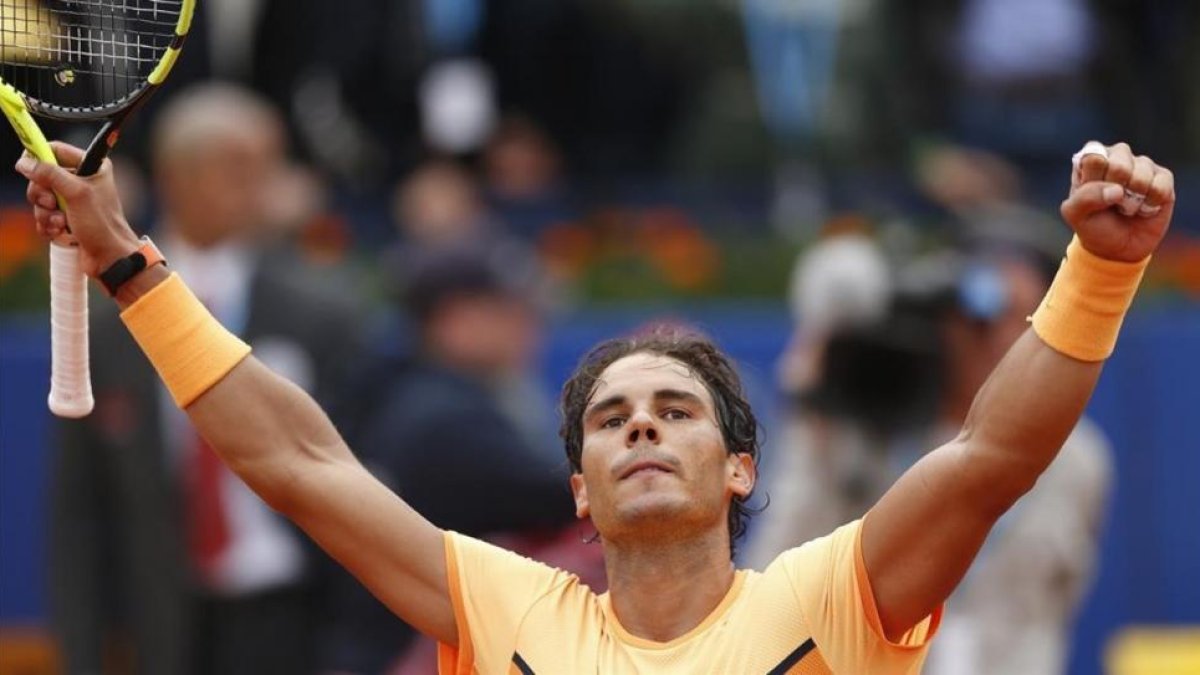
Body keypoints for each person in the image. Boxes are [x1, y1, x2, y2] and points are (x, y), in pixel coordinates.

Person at [18, 139, 1173, 673]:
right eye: (612, 420)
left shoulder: (835, 600)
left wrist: (1102, 270)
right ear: (579, 489)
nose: (642, 426)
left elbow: (993, 454)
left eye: (676, 409)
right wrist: (128, 264)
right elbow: (300, 465)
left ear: (741, 470)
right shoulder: (505, 609)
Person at [46, 84, 363, 675]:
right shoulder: (107, 328)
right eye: (240, 169)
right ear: (178, 177)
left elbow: (362, 479)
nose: (265, 188)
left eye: (271, 166)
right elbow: (79, 515)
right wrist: (82, 655)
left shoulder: (324, 315)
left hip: (293, 621)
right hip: (165, 623)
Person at [750, 215, 1115, 674]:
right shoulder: (875, 437)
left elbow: (1057, 606)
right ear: (943, 323)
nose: (996, 340)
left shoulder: (1078, 459)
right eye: (977, 320)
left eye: (1027, 320)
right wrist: (817, 425)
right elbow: (777, 581)